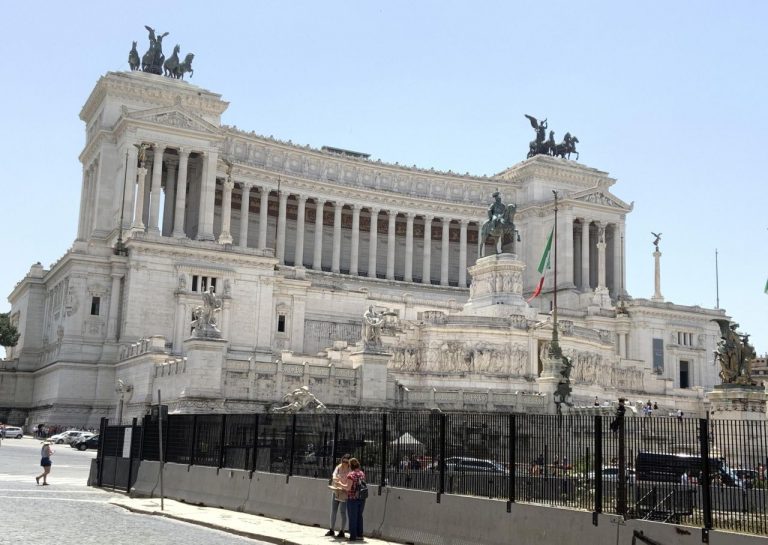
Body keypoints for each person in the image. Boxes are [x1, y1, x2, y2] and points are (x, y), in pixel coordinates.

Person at [325, 453, 351, 538]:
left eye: (346, 462)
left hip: (344, 492)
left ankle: (342, 531)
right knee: (333, 510)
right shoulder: (338, 467)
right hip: (336, 490)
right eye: (343, 461)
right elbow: (334, 474)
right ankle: (331, 529)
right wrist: (335, 478)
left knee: (343, 512)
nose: (344, 463)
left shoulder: (350, 470)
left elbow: (349, 481)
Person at [342, 457, 366, 541]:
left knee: (352, 517)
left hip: (352, 499)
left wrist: (340, 484)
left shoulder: (351, 475)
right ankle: (360, 535)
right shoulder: (362, 473)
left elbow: (348, 488)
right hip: (362, 498)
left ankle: (353, 536)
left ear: (350, 465)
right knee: (359, 516)